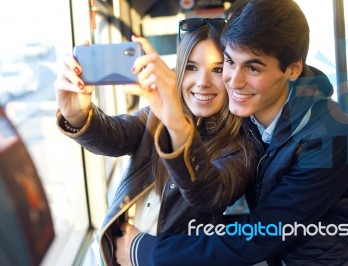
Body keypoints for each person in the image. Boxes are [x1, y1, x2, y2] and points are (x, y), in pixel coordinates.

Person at [119, 0, 348, 265]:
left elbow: (261, 236)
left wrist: (145, 252)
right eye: (229, 62)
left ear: (292, 69)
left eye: (252, 67)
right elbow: (210, 190)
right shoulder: (246, 118)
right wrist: (78, 115)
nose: (234, 81)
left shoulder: (328, 136)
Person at [54, 19, 257, 265]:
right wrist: (76, 114)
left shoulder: (242, 145)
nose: (203, 81)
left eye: (216, 69)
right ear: (179, 71)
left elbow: (210, 194)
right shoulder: (155, 116)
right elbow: (114, 136)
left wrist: (176, 124)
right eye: (192, 67)